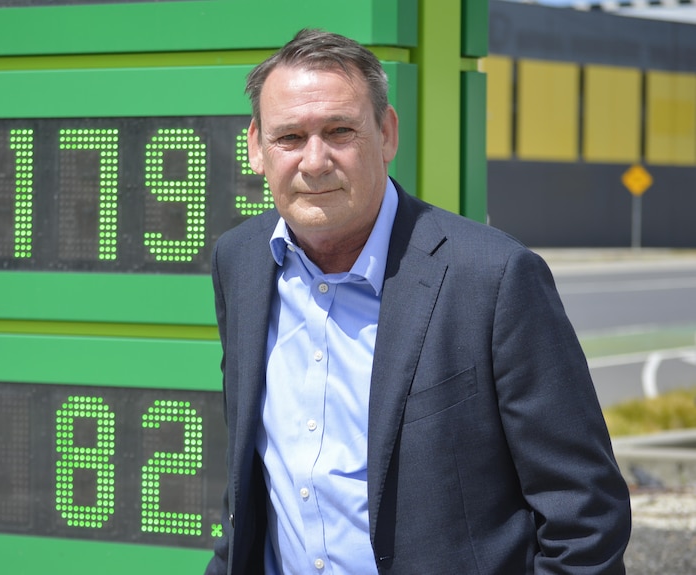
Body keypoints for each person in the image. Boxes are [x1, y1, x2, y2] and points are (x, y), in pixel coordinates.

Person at [205, 28, 631, 575]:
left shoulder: (493, 277)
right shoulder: (239, 262)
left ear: (386, 134)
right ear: (256, 148)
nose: (314, 161)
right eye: (290, 137)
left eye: (340, 131)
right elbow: (251, 478)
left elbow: (585, 516)